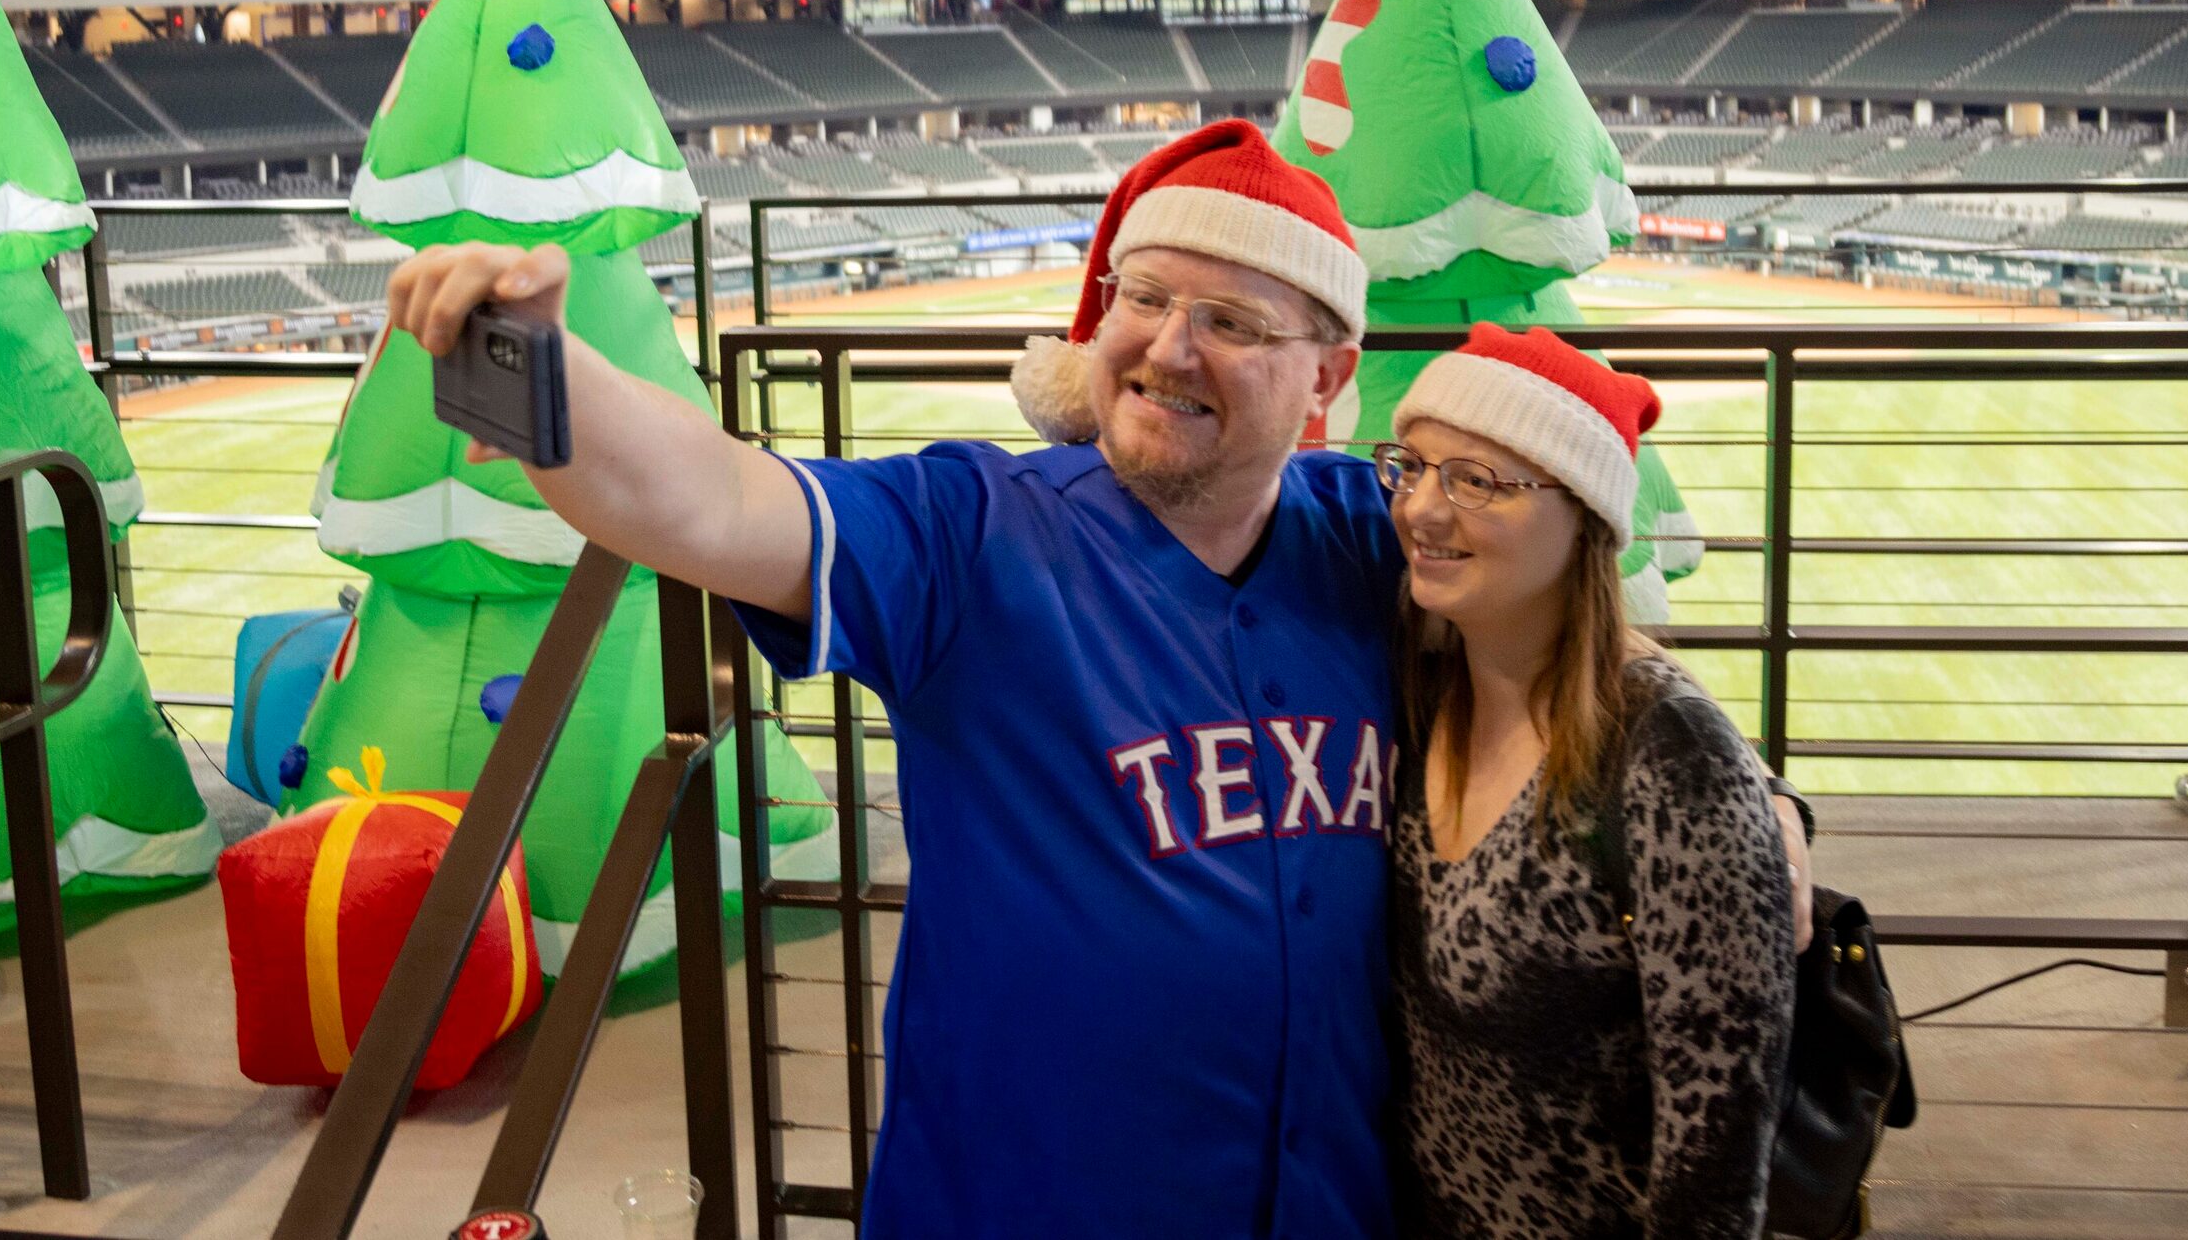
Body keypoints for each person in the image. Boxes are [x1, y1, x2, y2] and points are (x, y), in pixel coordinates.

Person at [386, 121, 1813, 1237]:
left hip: (1336, 1211)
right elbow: (707, 503)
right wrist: (538, 366)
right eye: (1143, 296)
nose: (1167, 345)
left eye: (1235, 323)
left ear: (1327, 380)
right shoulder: (966, 534)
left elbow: (1564, 626)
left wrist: (1749, 808)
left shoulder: (1362, 535)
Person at [1374, 325, 1801, 1240]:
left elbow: (1717, 1162)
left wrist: (1763, 798)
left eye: (1478, 480)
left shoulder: (1665, 753)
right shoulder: (1414, 681)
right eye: (1412, 466)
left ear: (1588, 522)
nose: (1422, 509)